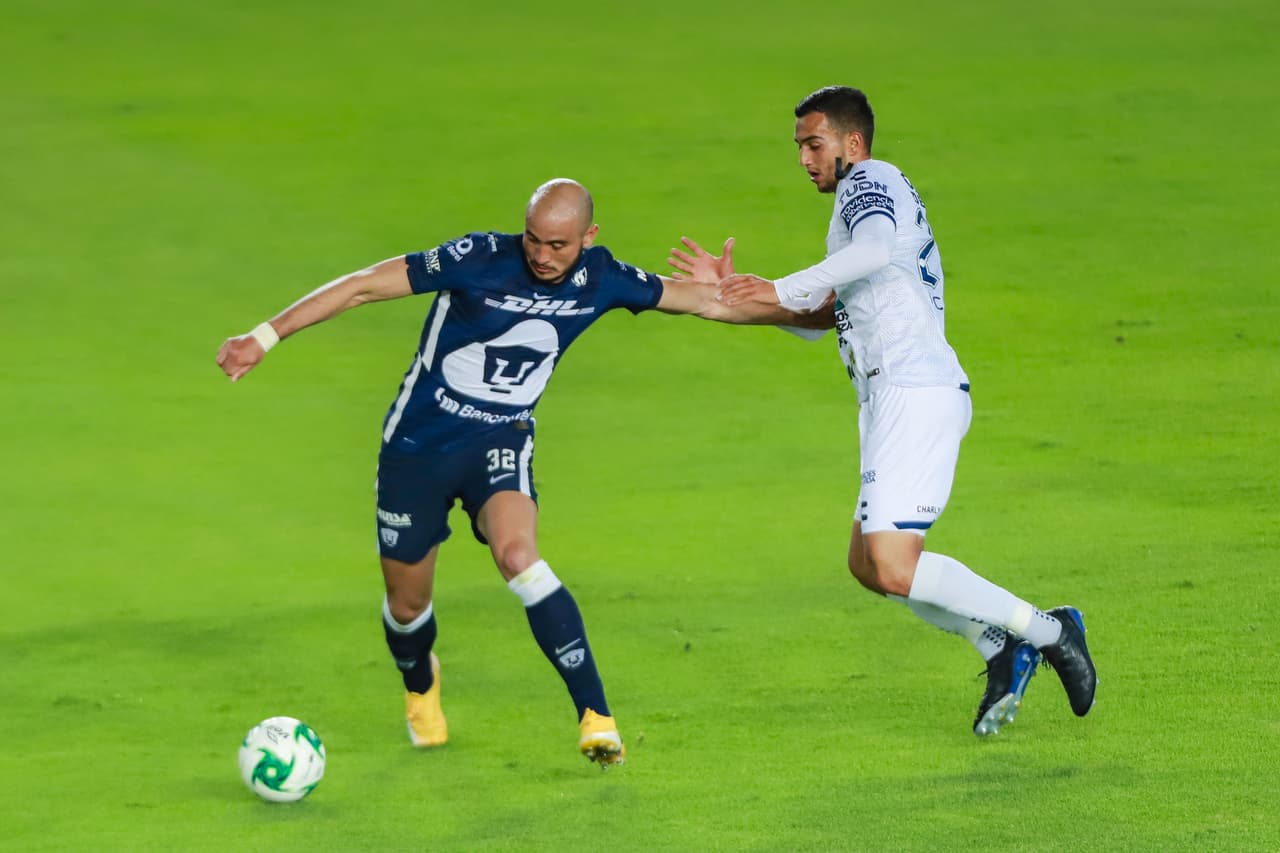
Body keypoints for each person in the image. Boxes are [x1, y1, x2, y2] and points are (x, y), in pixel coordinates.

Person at [216, 178, 831, 766]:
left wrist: (811, 317)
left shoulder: (603, 278)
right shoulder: (477, 257)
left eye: (557, 244)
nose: (540, 254)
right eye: (533, 238)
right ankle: (420, 681)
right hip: (417, 448)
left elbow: (706, 304)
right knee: (407, 605)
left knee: (518, 556)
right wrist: (265, 336)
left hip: (499, 440)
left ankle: (596, 717)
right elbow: (360, 287)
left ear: (588, 237)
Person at [678, 86, 1097, 736]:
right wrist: (726, 296)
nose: (804, 158)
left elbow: (869, 254)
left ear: (852, 142)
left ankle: (1049, 630)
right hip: (887, 394)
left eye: (813, 144)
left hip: (913, 385)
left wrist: (780, 284)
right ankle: (998, 645)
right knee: (869, 565)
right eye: (798, 147)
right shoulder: (855, 209)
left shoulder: (871, 181)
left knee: (895, 561)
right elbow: (823, 315)